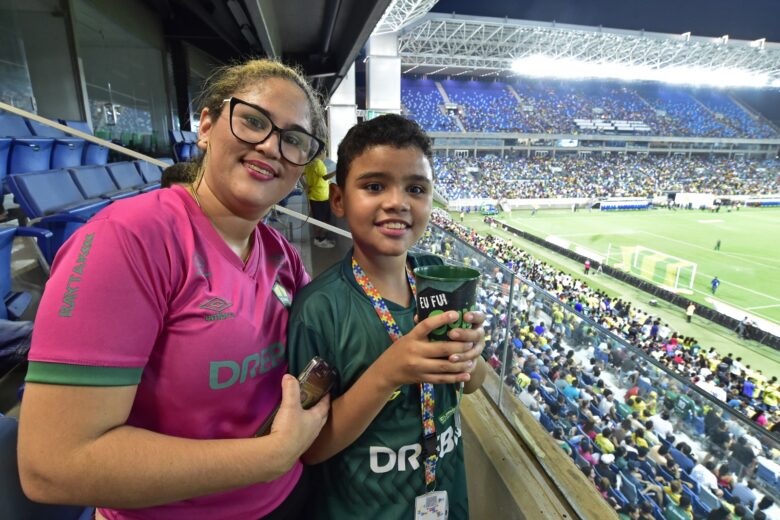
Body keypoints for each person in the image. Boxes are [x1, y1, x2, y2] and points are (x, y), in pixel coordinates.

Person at [17, 59, 331, 520]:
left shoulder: (281, 254)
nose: (270, 146)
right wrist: (267, 459)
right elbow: (53, 464)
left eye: (294, 140)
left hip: (289, 501)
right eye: (253, 121)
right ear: (206, 126)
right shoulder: (129, 239)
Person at [287, 114, 487, 519]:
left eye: (416, 188)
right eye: (375, 186)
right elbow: (309, 448)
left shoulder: (439, 276)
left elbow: (471, 385)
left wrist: (471, 356)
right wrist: (389, 373)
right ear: (339, 199)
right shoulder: (319, 310)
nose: (397, 202)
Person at [303, 157, 336, 248]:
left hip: (313, 196)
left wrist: (305, 185)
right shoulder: (318, 163)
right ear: (321, 152)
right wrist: (337, 171)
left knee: (318, 219)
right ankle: (320, 239)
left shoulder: (309, 163)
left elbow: (300, 174)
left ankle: (318, 239)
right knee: (325, 220)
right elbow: (325, 177)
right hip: (321, 197)